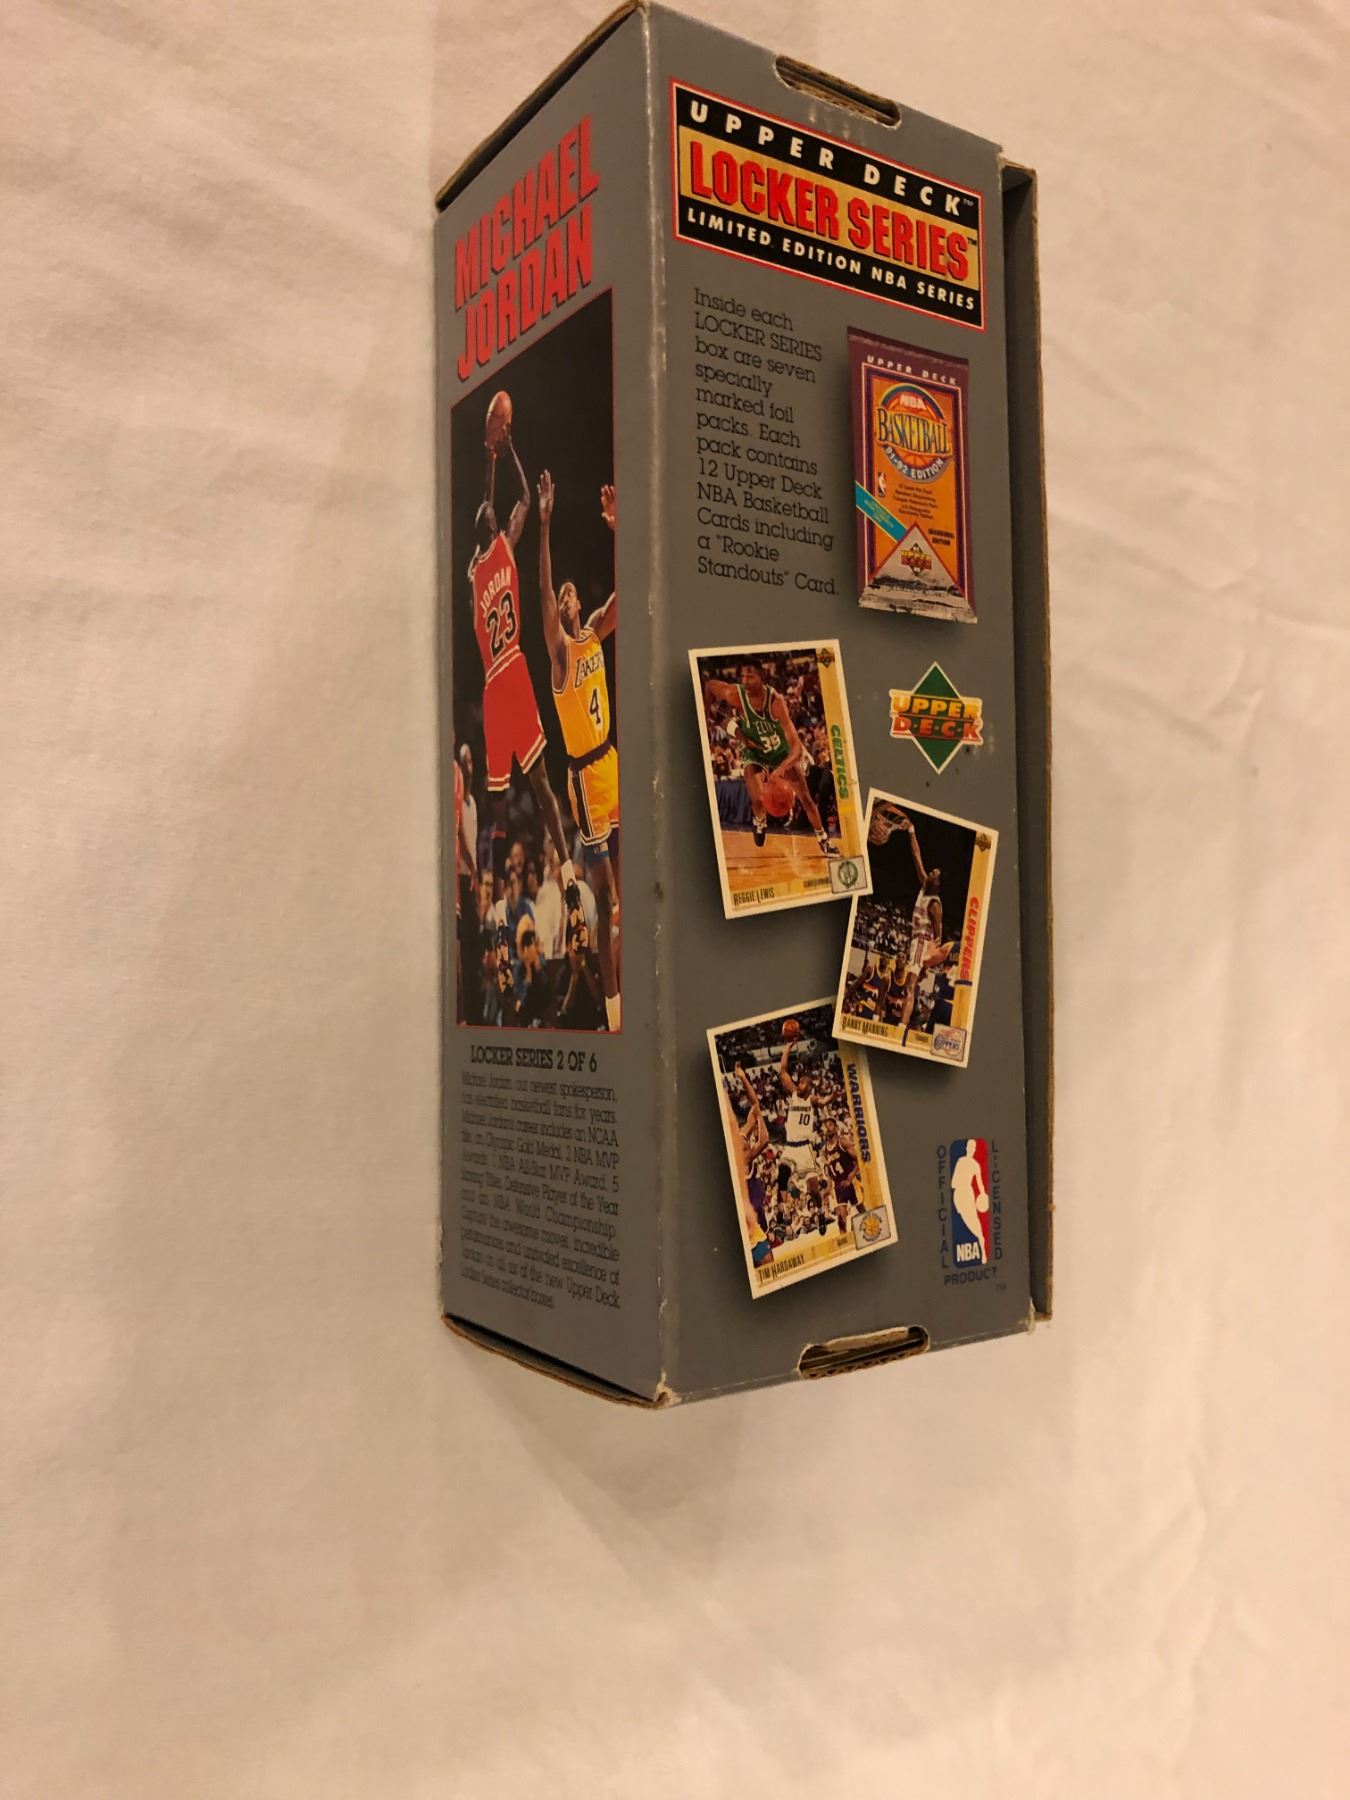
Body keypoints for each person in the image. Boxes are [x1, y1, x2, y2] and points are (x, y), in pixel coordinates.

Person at [468, 426, 581, 912]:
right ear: (492, 529)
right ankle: (511, 896)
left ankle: (512, 886)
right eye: (491, 517)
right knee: (528, 790)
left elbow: (500, 502)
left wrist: (497, 453)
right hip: (509, 674)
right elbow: (520, 500)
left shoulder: (477, 570)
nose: (492, 514)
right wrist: (506, 448)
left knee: (511, 796)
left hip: (500, 679)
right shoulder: (501, 549)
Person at [537, 469, 621, 1032]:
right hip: (585, 778)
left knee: (633, 888)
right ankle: (612, 1012)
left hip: (613, 760)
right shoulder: (562, 653)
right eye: (563, 594)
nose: (567, 595)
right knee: (608, 900)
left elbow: (626, 591)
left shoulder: (591, 631)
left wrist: (619, 531)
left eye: (571, 591)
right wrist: (545, 526)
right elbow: (543, 594)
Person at [701, 661, 838, 857]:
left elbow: (797, 748)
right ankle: (760, 820)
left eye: (750, 677)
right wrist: (706, 716)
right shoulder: (734, 694)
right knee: (757, 798)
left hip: (779, 753)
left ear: (762, 677)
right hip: (753, 750)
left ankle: (823, 840)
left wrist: (782, 767)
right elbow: (709, 686)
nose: (745, 681)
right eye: (742, 677)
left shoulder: (775, 702)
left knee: (806, 799)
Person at [894, 811, 944, 1038]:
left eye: (934, 873)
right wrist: (911, 830)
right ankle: (912, 1022)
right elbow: (916, 856)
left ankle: (901, 1029)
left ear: (938, 883)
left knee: (910, 986)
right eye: (931, 871)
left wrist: (928, 959)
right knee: (911, 986)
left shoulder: (934, 904)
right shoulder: (925, 887)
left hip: (923, 944)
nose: (930, 873)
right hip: (917, 942)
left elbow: (939, 934)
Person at [951, 1139, 991, 1263]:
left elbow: (980, 1184)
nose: (971, 1150)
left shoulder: (975, 1165)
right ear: (967, 1148)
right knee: (966, 1221)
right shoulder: (961, 1161)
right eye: (970, 1147)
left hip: (966, 1194)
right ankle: (981, 1243)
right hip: (959, 1195)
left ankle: (982, 1249)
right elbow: (953, 1183)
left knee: (974, 1223)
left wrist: (983, 1195)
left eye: (973, 1148)